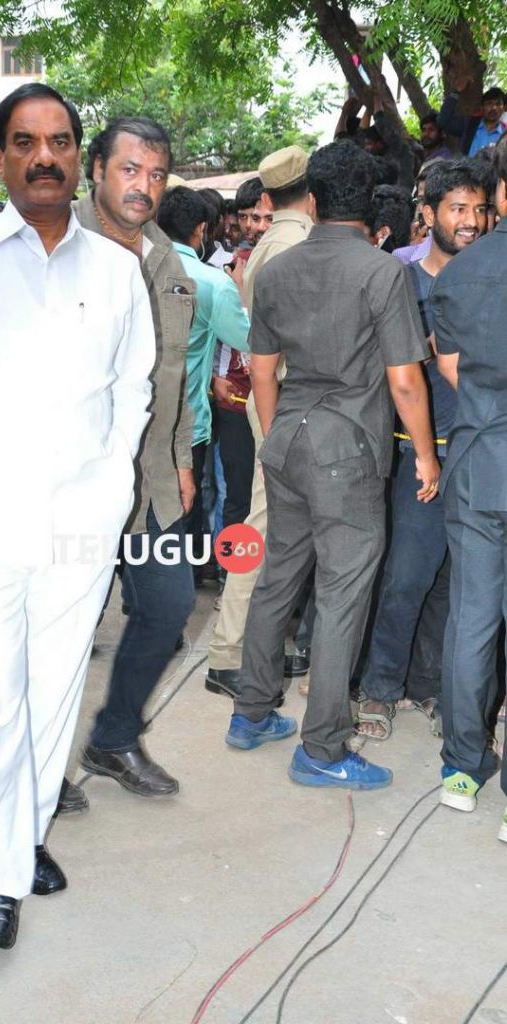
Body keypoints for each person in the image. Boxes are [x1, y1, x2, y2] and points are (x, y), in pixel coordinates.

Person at [0, 84, 155, 949]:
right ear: (2, 157)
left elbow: (133, 389)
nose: (43, 157)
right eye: (24, 142)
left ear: (79, 157)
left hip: (80, 520)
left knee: (54, 692)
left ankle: (25, 833)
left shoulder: (117, 271)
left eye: (58, 141)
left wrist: (114, 489)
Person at [227, 141, 439, 791]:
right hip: (346, 448)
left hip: (288, 437)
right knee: (342, 596)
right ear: (367, 204)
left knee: (278, 579)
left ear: (312, 200)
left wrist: (273, 439)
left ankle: (251, 712)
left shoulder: (276, 270)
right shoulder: (382, 273)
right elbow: (405, 381)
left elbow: (263, 372)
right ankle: (321, 749)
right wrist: (426, 457)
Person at [73, 116, 197, 800]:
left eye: (155, 175)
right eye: (129, 170)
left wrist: (180, 458)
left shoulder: (166, 259)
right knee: (61, 624)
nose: (142, 187)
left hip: (150, 479)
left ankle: (113, 738)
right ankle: (31, 765)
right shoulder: (53, 242)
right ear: (96, 169)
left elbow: (172, 376)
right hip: (71, 478)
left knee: (169, 604)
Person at [357, 159, 487, 741]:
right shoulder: (401, 282)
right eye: (458, 209)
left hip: (478, 450)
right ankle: (380, 687)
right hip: (420, 451)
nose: (471, 221)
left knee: (454, 581)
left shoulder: (490, 279)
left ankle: (429, 684)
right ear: (428, 214)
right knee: (407, 575)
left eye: (479, 209)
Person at [207, 146, 315, 702]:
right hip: (284, 398)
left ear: (270, 197)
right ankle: (228, 652)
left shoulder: (266, 245)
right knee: (263, 525)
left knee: (275, 526)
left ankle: (255, 643)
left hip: (271, 396)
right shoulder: (298, 244)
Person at [432, 143, 507, 832]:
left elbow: (452, 369)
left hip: (479, 461)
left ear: (500, 195)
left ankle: (460, 769)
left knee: (472, 618)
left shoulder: (460, 273)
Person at [157, 186, 250, 579]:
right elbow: (249, 340)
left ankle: (136, 591)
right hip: (186, 425)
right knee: (182, 513)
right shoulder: (212, 284)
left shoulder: (128, 271)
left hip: (132, 420)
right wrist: (242, 291)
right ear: (200, 229)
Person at [439, 85, 506, 156]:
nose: (494, 108)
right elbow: (443, 122)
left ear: (504, 108)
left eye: (498, 104)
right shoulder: (468, 124)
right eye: (489, 103)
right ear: (482, 107)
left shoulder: (505, 135)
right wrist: (456, 93)